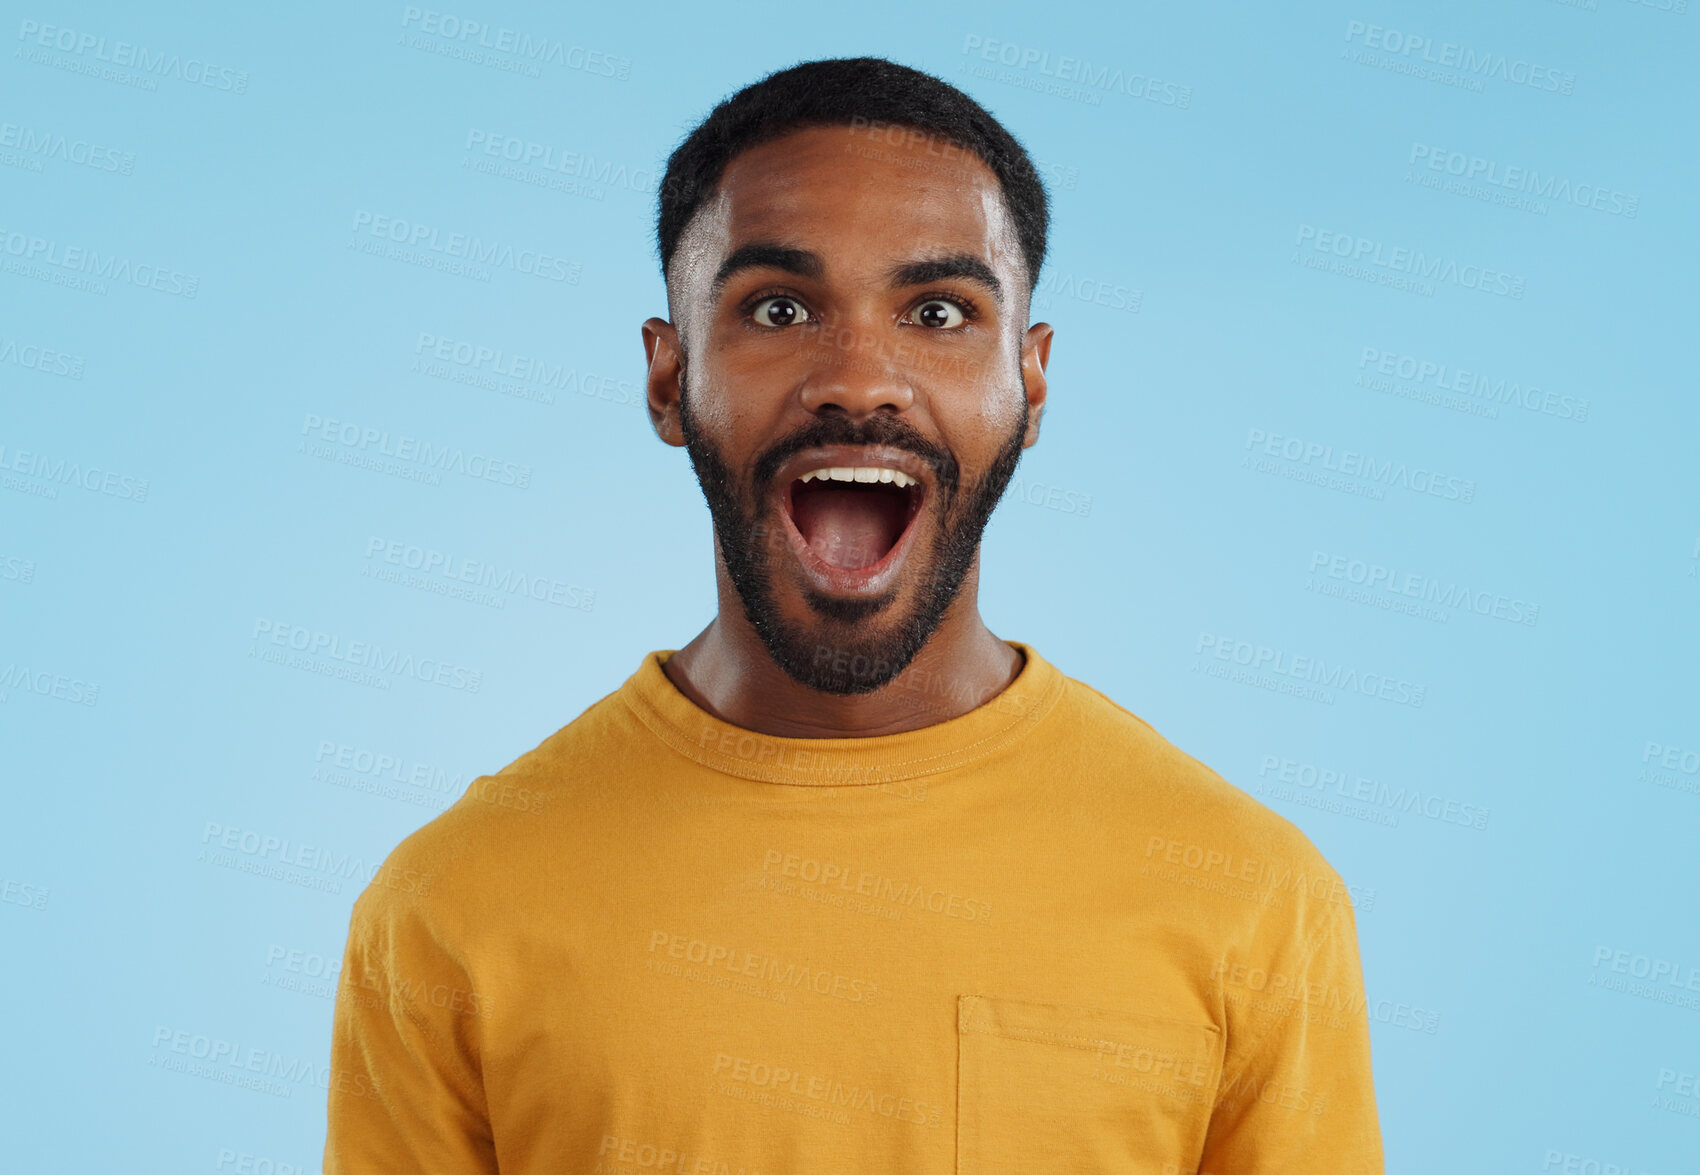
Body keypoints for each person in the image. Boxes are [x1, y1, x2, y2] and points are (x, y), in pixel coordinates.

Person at [324, 56, 1384, 1174]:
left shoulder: (1250, 896)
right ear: (667, 373)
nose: (859, 379)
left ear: (1029, 382)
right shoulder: (449, 908)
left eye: (937, 311)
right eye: (778, 308)